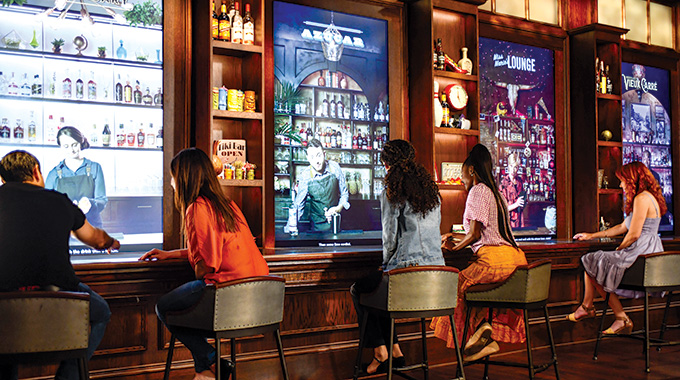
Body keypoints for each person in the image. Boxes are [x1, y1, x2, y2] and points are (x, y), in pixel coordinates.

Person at [139, 148, 269, 380]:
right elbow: (219, 247)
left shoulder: (197, 208)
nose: (170, 183)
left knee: (164, 308)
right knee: (187, 309)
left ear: (184, 178)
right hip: (258, 297)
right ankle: (206, 371)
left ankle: (211, 360)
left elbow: (207, 266)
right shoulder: (227, 204)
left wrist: (195, 261)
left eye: (172, 176)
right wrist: (172, 255)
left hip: (227, 294)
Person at [0, 150, 119, 380]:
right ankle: (68, 376)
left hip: (6, 307)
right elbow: (97, 239)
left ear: (3, 180)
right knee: (101, 312)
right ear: (36, 172)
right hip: (61, 303)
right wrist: (112, 242)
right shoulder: (59, 200)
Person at [350, 140, 444, 375]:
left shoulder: (392, 191)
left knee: (361, 289)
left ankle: (380, 350)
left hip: (407, 274)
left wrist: (386, 264)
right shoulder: (432, 192)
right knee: (378, 288)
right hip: (438, 278)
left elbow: (389, 235)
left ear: (386, 164)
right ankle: (395, 352)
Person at [432, 143, 527, 362]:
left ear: (472, 170)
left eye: (462, 173)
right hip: (515, 262)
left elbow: (474, 234)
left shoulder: (477, 190)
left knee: (455, 286)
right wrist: (454, 237)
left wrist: (453, 247)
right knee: (478, 292)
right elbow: (489, 232)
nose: (461, 178)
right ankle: (483, 332)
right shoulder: (497, 193)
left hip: (494, 262)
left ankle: (469, 344)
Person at [569, 161, 666, 335]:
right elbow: (622, 227)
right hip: (648, 251)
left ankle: (613, 314)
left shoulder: (641, 198)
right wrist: (592, 235)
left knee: (592, 262)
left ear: (632, 179)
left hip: (642, 254)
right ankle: (591, 308)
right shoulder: (647, 196)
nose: (621, 184)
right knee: (592, 263)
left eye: (622, 180)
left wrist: (619, 250)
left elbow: (634, 234)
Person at [45, 126, 107, 228]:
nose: (71, 150)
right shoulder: (54, 174)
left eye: (74, 145)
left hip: (92, 227)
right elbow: (47, 204)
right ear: (60, 146)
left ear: (81, 143)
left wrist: (90, 203)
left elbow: (102, 200)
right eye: (66, 146)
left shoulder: (95, 168)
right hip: (64, 228)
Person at [284, 138, 349, 235]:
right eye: (312, 157)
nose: (316, 161)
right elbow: (299, 206)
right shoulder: (305, 176)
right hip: (317, 227)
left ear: (324, 154)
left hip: (337, 222)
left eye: (319, 156)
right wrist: (289, 228)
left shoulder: (335, 168)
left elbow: (344, 194)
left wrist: (338, 208)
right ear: (308, 158)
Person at [499, 151, 525, 228]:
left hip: (519, 219)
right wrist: (516, 204)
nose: (513, 170)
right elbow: (502, 208)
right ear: (508, 166)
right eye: (511, 166)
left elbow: (522, 200)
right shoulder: (504, 183)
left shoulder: (520, 181)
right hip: (509, 221)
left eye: (516, 167)